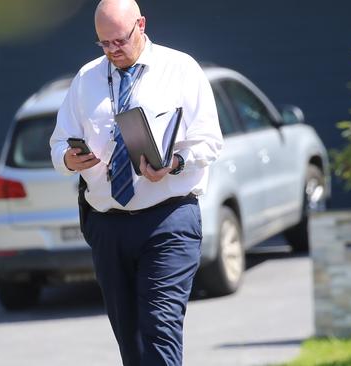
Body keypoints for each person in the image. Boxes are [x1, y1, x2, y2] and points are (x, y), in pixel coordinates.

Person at [50, 0, 223, 364]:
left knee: (160, 327)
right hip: (107, 223)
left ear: (141, 25)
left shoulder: (180, 69)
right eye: (104, 43)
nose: (113, 51)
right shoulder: (87, 78)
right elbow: (59, 141)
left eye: (119, 41)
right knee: (131, 341)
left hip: (168, 218)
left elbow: (209, 141)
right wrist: (69, 158)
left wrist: (173, 163)